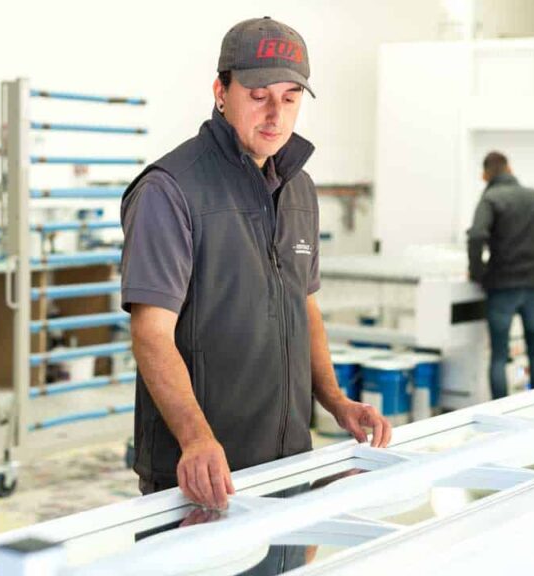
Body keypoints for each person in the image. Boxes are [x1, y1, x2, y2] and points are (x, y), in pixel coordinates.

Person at [119, 16, 391, 512]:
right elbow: (151, 334)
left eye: (290, 99)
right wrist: (197, 439)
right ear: (221, 91)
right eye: (259, 95)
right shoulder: (170, 190)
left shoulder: (299, 189)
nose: (276, 115)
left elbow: (303, 308)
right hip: (202, 472)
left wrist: (335, 402)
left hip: (290, 458)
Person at [467, 151, 534, 400]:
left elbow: (476, 235)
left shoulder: (490, 198)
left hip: (503, 285)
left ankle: (500, 413)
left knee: (499, 356)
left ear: (485, 174)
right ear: (509, 169)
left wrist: (478, 272)